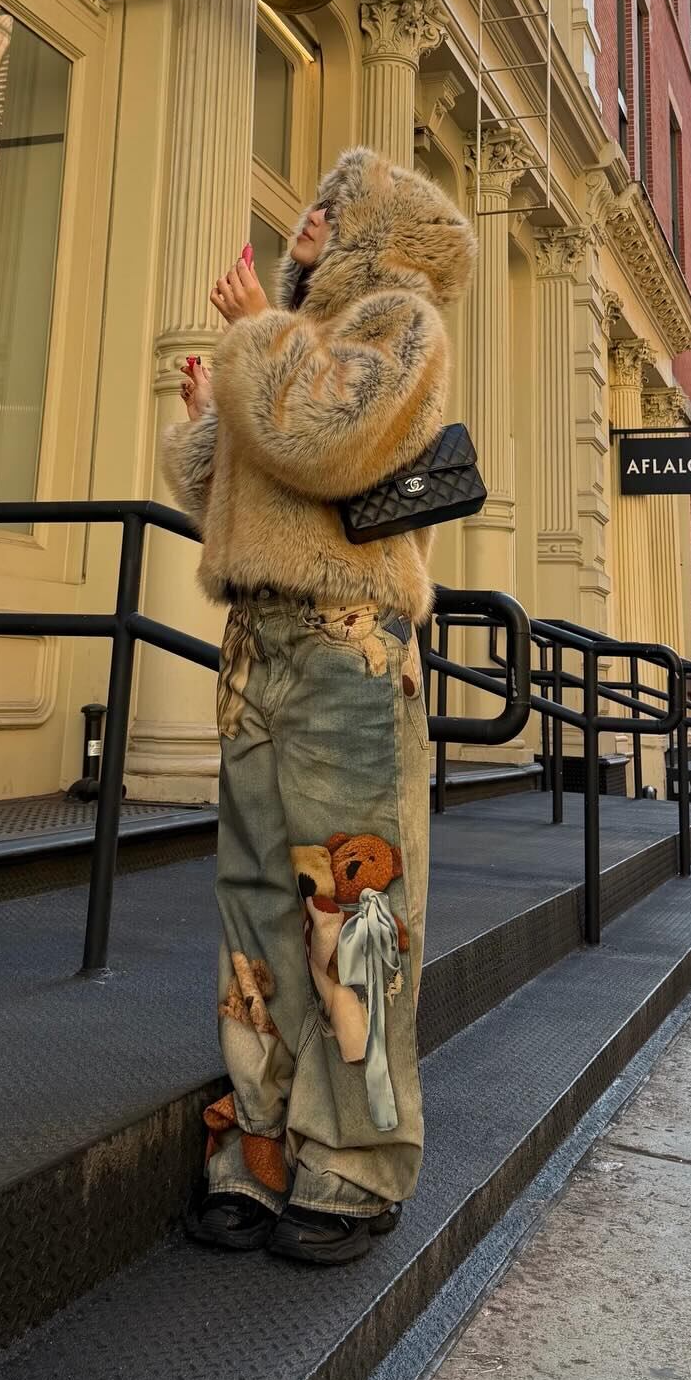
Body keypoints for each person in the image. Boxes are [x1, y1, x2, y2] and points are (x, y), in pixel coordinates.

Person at [162, 147, 474, 1266]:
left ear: (369, 231)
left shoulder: (402, 323)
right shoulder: (294, 338)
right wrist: (209, 415)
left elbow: (326, 444)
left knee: (355, 908)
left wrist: (254, 336)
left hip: (347, 646)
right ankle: (256, 1143)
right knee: (253, 906)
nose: (302, 226)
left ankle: (352, 1163)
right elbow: (235, 489)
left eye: (326, 212)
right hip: (257, 641)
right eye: (309, 212)